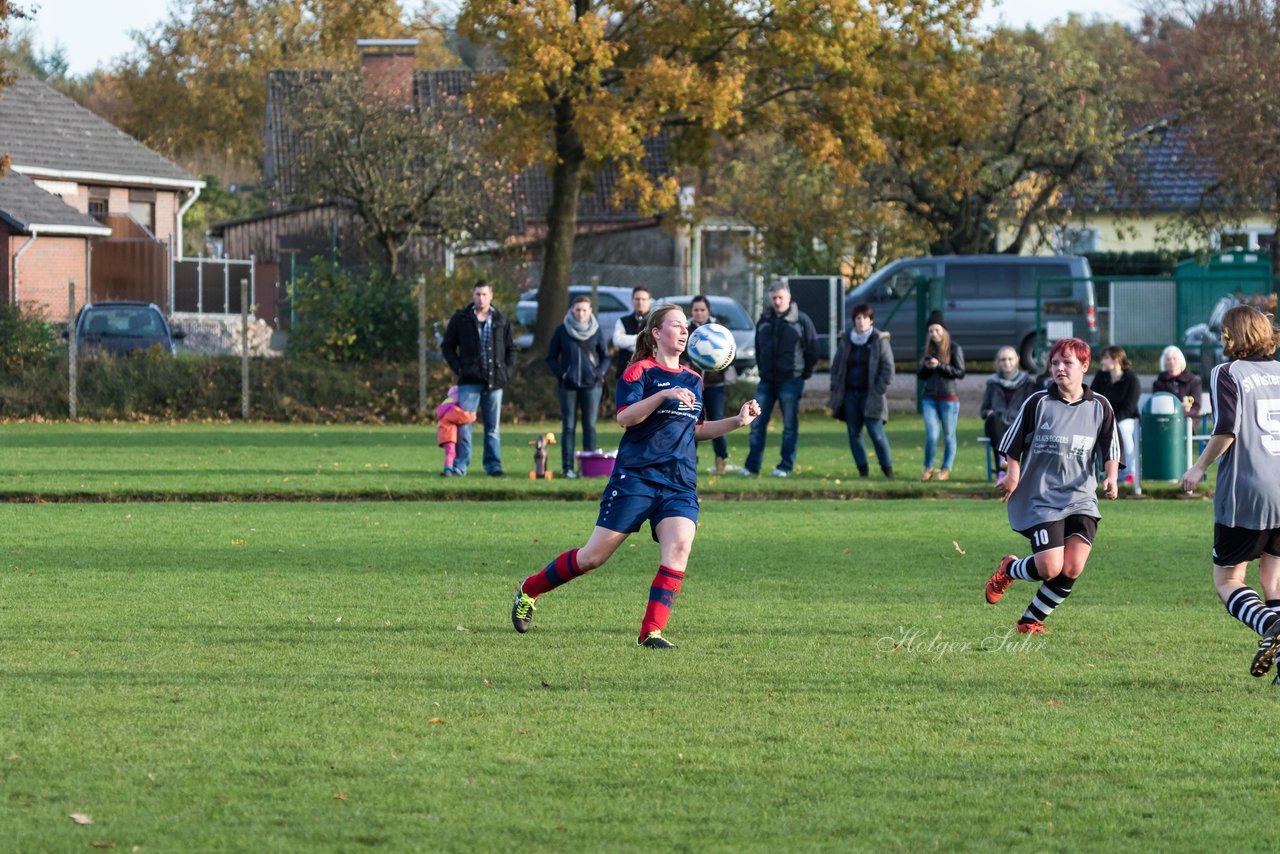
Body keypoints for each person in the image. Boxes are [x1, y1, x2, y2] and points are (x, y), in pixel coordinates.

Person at [510, 304, 762, 649]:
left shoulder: (694, 379)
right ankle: (530, 589)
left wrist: (737, 421)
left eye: (685, 326)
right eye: (676, 325)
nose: (684, 331)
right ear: (657, 333)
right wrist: (662, 395)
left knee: (680, 547)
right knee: (592, 557)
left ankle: (651, 632)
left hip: (679, 482)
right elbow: (626, 418)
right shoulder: (639, 372)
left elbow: (694, 429)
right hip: (637, 478)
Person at [984, 338, 1122, 635]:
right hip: (1042, 498)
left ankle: (1029, 621)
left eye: (1067, 363)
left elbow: (1110, 446)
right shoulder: (1038, 403)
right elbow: (1013, 445)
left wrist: (1111, 476)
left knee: (1072, 567)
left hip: (1082, 497)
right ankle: (1009, 568)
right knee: (1049, 567)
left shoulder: (1100, 406)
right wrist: (1012, 475)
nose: (1059, 368)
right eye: (1055, 363)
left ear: (1084, 367)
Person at [1179, 306, 1280, 682]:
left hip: (1248, 493)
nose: (1222, 340)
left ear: (1235, 336)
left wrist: (1198, 467)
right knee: (1273, 581)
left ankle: (1271, 626)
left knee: (1228, 581)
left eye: (1225, 333)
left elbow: (1226, 430)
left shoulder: (1228, 372)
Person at [741, 281, 818, 477]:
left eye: (780, 297)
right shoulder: (764, 320)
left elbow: (813, 349)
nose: (777, 301)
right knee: (756, 423)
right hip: (766, 380)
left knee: (789, 426)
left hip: (791, 380)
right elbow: (759, 349)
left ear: (789, 298)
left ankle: (785, 466)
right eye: (774, 298)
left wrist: (804, 374)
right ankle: (752, 467)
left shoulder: (801, 320)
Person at [441, 279, 517, 477]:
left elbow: (511, 349)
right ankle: (460, 466)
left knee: (493, 428)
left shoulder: (501, 319)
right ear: (472, 295)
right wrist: (459, 368)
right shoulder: (461, 319)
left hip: (495, 382)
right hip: (469, 382)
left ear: (491, 295)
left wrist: (505, 372)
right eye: (477, 294)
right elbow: (447, 346)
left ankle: (493, 466)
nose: (480, 298)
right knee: (464, 426)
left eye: (484, 294)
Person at [546, 295, 610, 478]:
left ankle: (588, 468)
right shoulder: (561, 330)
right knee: (568, 427)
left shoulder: (596, 331)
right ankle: (567, 468)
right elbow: (550, 357)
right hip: (568, 386)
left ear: (590, 311)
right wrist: (562, 374)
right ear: (571, 310)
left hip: (592, 386)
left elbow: (605, 356)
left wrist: (599, 372)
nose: (581, 313)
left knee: (589, 426)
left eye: (584, 310)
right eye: (577, 309)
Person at [828, 302, 895, 478]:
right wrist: (835, 386)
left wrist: (879, 389)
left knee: (876, 432)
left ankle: (887, 469)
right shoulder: (846, 340)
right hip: (850, 394)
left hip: (872, 395)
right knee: (854, 433)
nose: (861, 321)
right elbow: (837, 367)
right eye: (858, 318)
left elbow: (888, 369)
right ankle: (862, 470)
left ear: (871, 321)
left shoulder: (879, 340)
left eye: (865, 318)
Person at [683, 295, 731, 474]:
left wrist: (723, 370)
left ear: (708, 311)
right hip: (692, 386)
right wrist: (685, 365)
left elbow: (728, 353)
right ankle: (690, 461)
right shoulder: (686, 329)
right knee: (692, 422)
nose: (699, 313)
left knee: (716, 421)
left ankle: (721, 460)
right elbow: (680, 353)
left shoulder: (718, 329)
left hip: (715, 384)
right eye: (696, 310)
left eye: (702, 310)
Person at [916, 311, 965, 481]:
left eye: (937, 330)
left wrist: (940, 366)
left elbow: (960, 372)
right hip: (929, 398)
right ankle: (928, 467)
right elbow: (920, 376)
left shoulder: (954, 348)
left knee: (949, 435)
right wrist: (926, 366)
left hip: (948, 399)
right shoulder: (927, 350)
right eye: (930, 331)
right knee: (932, 435)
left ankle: (945, 469)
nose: (934, 334)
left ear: (944, 330)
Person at [980, 346, 1037, 482]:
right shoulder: (992, 383)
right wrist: (988, 412)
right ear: (998, 362)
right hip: (997, 424)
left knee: (1022, 426)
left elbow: (1031, 409)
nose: (1007, 362)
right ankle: (1003, 465)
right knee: (992, 420)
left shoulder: (1027, 382)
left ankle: (1004, 466)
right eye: (1003, 360)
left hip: (1018, 423)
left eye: (1010, 359)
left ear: (1017, 360)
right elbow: (983, 410)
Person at [1090, 345, 1141, 485]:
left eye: (1105, 358)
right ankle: (1094, 474)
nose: (1102, 362)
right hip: (1105, 420)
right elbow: (1092, 398)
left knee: (1122, 429)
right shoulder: (1101, 376)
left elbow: (1129, 407)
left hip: (1129, 421)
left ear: (1117, 359)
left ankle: (1129, 473)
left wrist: (1112, 423)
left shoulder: (1132, 379)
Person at [611, 286, 652, 381]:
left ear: (649, 301)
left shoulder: (655, 321)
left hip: (648, 373)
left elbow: (653, 343)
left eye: (644, 299)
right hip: (625, 372)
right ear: (632, 301)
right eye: (637, 299)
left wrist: (627, 340)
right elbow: (617, 341)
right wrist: (642, 340)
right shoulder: (622, 321)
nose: (640, 302)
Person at [1153, 344, 1203, 421]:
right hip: (1166, 420)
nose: (1171, 362)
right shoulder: (1159, 383)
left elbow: (1196, 406)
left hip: (1188, 419)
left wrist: (1181, 414)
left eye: (1174, 358)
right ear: (1164, 363)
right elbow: (1157, 405)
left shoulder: (1193, 381)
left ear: (1180, 361)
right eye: (1168, 359)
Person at [435, 385, 477, 476]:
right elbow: (461, 417)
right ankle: (448, 469)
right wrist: (472, 416)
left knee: (450, 452)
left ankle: (450, 467)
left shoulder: (445, 406)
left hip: (444, 433)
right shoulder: (451, 409)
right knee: (451, 452)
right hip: (449, 434)